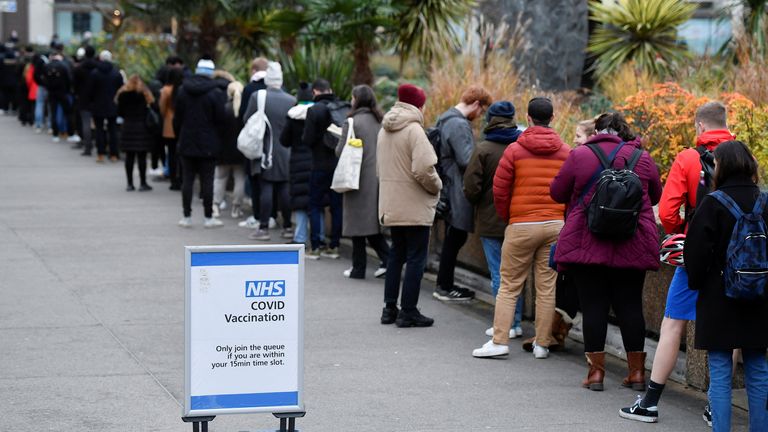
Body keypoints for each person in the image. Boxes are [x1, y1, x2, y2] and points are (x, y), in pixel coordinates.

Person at [620, 101, 736, 422]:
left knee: (673, 323)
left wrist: (683, 231)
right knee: (732, 328)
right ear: (725, 124)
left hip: (696, 258)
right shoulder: (743, 156)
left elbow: (669, 214)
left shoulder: (688, 158)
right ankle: (718, 404)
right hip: (735, 258)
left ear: (700, 126)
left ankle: (650, 402)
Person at [549, 112, 661, 389]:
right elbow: (656, 195)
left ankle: (595, 374)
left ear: (598, 130)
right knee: (631, 306)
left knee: (593, 307)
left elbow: (557, 192)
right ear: (624, 132)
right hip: (632, 242)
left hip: (588, 242)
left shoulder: (581, 155)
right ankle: (637, 374)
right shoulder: (642, 158)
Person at [471, 97, 570, 360]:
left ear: (528, 118)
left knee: (509, 285)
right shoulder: (565, 151)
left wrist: (511, 217)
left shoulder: (514, 150)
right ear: (553, 118)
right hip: (554, 224)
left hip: (522, 224)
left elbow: (499, 191)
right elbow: (573, 190)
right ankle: (542, 344)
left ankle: (500, 340)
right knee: (547, 287)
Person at [684, 140, 768, 432]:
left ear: (723, 166)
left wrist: (698, 284)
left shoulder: (713, 202)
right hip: (759, 295)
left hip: (719, 295)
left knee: (720, 371)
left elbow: (694, 255)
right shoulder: (765, 201)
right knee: (758, 367)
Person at [378, 83, 441, 327]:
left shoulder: (384, 130)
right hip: (414, 206)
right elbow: (424, 168)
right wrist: (437, 186)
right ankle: (409, 311)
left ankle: (389, 308)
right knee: (416, 258)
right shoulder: (414, 130)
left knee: (396, 255)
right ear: (418, 105)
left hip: (391, 203)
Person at [463, 101, 525, 338]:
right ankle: (516, 323)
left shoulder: (484, 148)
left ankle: (505, 324)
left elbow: (471, 186)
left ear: (490, 119)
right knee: (516, 274)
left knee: (499, 274)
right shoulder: (521, 145)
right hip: (519, 218)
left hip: (490, 220)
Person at [433, 85, 493, 302]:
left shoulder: (444, 119)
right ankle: (445, 286)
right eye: (482, 111)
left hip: (446, 184)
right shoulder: (459, 124)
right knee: (455, 236)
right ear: (476, 104)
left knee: (453, 236)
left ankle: (444, 284)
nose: (480, 116)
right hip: (457, 187)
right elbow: (466, 159)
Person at [335, 84, 390, 279]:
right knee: (371, 226)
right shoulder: (381, 121)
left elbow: (340, 151)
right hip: (378, 179)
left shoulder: (352, 122)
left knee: (358, 225)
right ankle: (387, 261)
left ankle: (360, 267)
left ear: (356, 99)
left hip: (357, 178)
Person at [243, 61, 296, 241]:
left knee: (265, 187)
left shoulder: (258, 97)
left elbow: (247, 120)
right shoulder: (291, 100)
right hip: (286, 151)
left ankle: (263, 227)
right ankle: (288, 227)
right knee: (284, 189)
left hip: (265, 149)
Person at [173, 58, 227, 228]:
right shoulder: (216, 93)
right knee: (208, 180)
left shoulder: (183, 90)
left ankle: (186, 216)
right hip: (208, 143)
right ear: (211, 73)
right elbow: (221, 119)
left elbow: (177, 119)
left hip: (187, 141)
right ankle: (208, 217)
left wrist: (179, 136)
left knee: (187, 180)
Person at [302, 78, 345, 259]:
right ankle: (334, 246)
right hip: (338, 164)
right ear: (330, 89)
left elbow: (307, 139)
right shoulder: (342, 109)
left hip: (319, 164)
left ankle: (316, 246)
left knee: (315, 205)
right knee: (336, 206)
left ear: (315, 92)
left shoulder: (314, 110)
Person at [280, 83, 325, 245]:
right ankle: (319, 237)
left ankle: (300, 237)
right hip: (316, 160)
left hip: (297, 163)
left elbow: (284, 140)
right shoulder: (320, 112)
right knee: (317, 201)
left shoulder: (292, 116)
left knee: (299, 201)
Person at [214, 80, 247, 219]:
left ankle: (215, 206)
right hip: (240, 151)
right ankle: (236, 208)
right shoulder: (244, 111)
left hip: (223, 151)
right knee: (240, 179)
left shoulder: (222, 109)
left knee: (220, 179)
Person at [116, 75, 155, 191]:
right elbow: (151, 107)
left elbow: (120, 112)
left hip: (128, 127)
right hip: (141, 127)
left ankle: (130, 183)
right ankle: (143, 183)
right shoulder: (144, 94)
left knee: (129, 157)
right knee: (142, 157)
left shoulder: (122, 95)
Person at [88, 50, 123, 162]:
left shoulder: (95, 73)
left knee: (99, 130)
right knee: (113, 130)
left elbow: (91, 91)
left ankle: (100, 154)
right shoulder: (116, 73)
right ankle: (114, 154)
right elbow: (120, 90)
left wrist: (92, 102)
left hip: (98, 105)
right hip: (113, 105)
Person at [159, 67, 184, 190]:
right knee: (182, 153)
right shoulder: (183, 90)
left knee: (172, 153)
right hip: (182, 124)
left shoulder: (166, 90)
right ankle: (182, 177)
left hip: (169, 124)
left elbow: (162, 108)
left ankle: (173, 179)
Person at [73, 46, 97, 156]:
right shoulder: (97, 67)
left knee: (85, 123)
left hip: (83, 98)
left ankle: (87, 146)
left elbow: (74, 85)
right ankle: (100, 144)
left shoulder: (79, 68)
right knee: (99, 123)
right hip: (97, 98)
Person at [45, 52, 74, 142]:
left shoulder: (47, 66)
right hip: (63, 92)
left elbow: (42, 78)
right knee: (68, 112)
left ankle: (55, 134)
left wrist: (47, 87)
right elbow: (69, 80)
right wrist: (68, 90)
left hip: (51, 92)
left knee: (53, 113)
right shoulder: (63, 66)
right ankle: (70, 133)